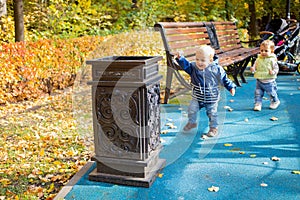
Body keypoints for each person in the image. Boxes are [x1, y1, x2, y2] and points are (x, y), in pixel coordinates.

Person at [175, 45, 236, 137]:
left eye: (203, 60)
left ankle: (213, 128)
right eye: (197, 59)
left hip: (211, 97)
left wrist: (230, 87)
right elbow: (186, 65)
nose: (199, 62)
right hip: (197, 97)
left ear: (210, 60)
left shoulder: (216, 69)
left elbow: (224, 79)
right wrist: (181, 59)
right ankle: (192, 123)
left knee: (212, 113)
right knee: (191, 109)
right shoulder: (194, 68)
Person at [250, 40, 280, 111]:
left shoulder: (272, 60)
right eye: (261, 50)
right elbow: (255, 66)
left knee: (271, 93)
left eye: (266, 51)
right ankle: (258, 104)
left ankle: (275, 101)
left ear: (271, 51)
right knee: (258, 93)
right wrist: (253, 69)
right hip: (259, 80)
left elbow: (276, 68)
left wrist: (273, 72)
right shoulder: (258, 59)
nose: (263, 52)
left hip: (269, 81)